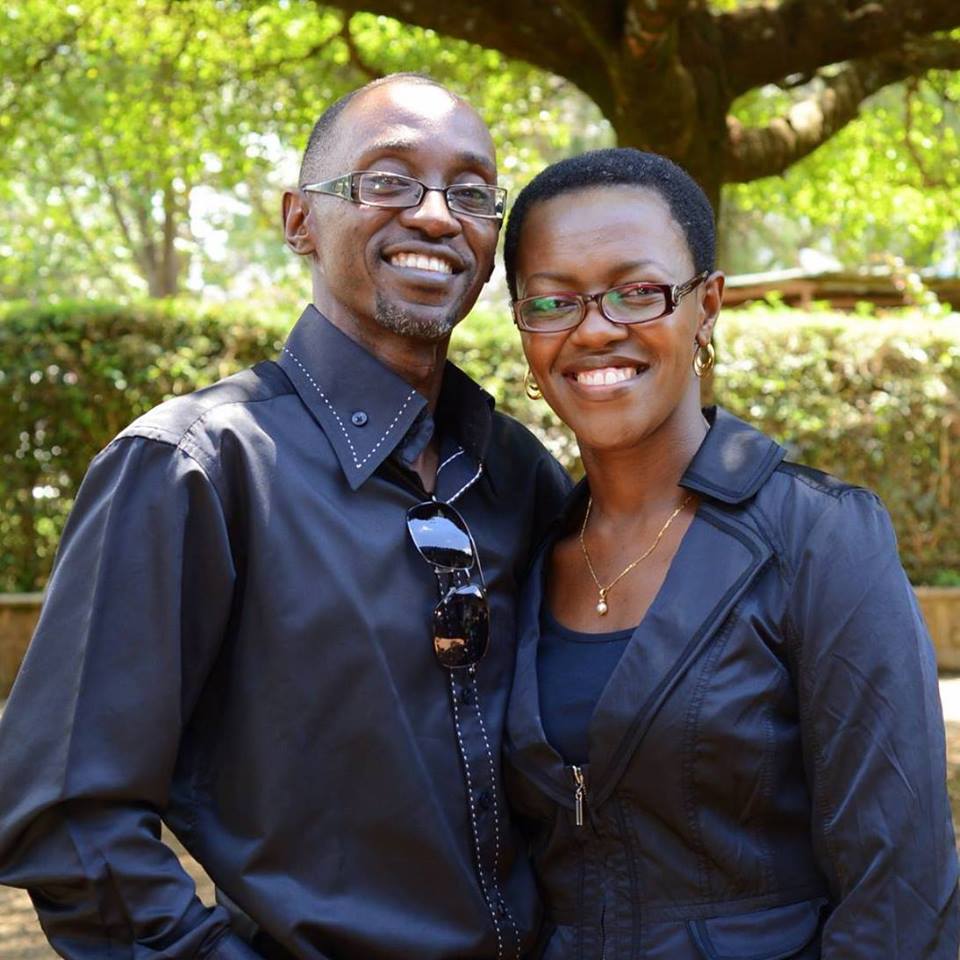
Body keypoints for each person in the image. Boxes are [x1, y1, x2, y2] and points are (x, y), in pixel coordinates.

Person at [0, 74, 571, 959]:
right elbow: (72, 822)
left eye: (470, 193)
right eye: (387, 180)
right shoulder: (194, 467)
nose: (434, 216)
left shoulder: (519, 476)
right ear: (298, 220)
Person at [501, 148, 959, 959]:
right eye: (553, 300)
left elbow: (899, 894)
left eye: (638, 291)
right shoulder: (526, 552)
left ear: (707, 306)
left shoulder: (819, 538)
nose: (596, 327)